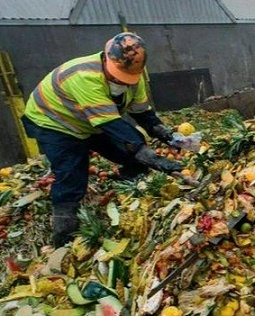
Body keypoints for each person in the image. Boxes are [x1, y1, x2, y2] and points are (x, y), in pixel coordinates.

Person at [21, 32, 183, 247]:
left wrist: (164, 133)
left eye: (126, 79)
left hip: (92, 120)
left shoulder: (134, 77)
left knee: (128, 153)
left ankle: (127, 187)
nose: (120, 82)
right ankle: (64, 232)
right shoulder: (84, 76)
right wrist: (150, 156)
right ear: (106, 60)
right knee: (72, 172)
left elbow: (142, 113)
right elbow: (111, 125)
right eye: (117, 77)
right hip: (54, 122)